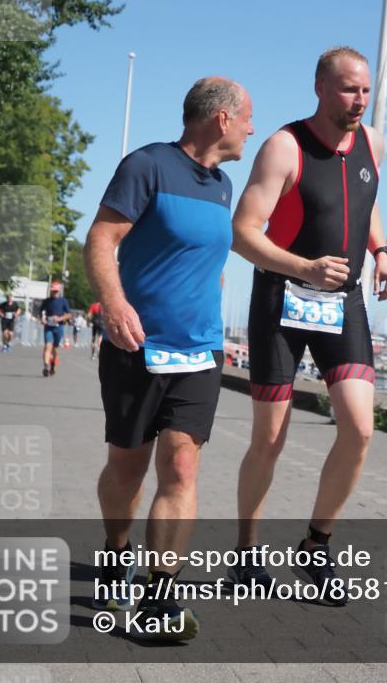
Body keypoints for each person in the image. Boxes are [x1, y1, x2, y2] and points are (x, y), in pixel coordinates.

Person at [84, 77, 253, 642]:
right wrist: (113, 303)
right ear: (222, 119)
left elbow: (207, 261)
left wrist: (210, 319)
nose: (254, 129)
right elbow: (102, 237)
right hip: (136, 347)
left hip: (199, 353)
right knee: (126, 470)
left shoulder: (223, 186)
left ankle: (160, 596)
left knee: (181, 467)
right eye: (248, 118)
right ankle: (115, 549)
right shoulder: (147, 166)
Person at [231, 46, 387, 603]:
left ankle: (315, 544)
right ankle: (247, 552)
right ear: (321, 89)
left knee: (360, 427)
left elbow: (366, 198)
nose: (360, 100)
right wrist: (304, 266)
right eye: (350, 89)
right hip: (282, 299)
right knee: (270, 439)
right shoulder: (284, 146)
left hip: (343, 302)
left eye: (366, 90)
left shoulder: (372, 141)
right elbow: (243, 232)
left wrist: (382, 251)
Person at [40, 282, 71, 376]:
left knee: (55, 349)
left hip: (58, 327)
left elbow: (69, 314)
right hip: (48, 326)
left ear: (59, 291)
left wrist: (60, 318)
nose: (54, 293)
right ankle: (46, 367)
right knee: (47, 346)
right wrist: (42, 319)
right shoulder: (46, 301)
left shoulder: (63, 301)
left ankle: (52, 365)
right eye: (53, 291)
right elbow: (40, 311)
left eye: (56, 291)